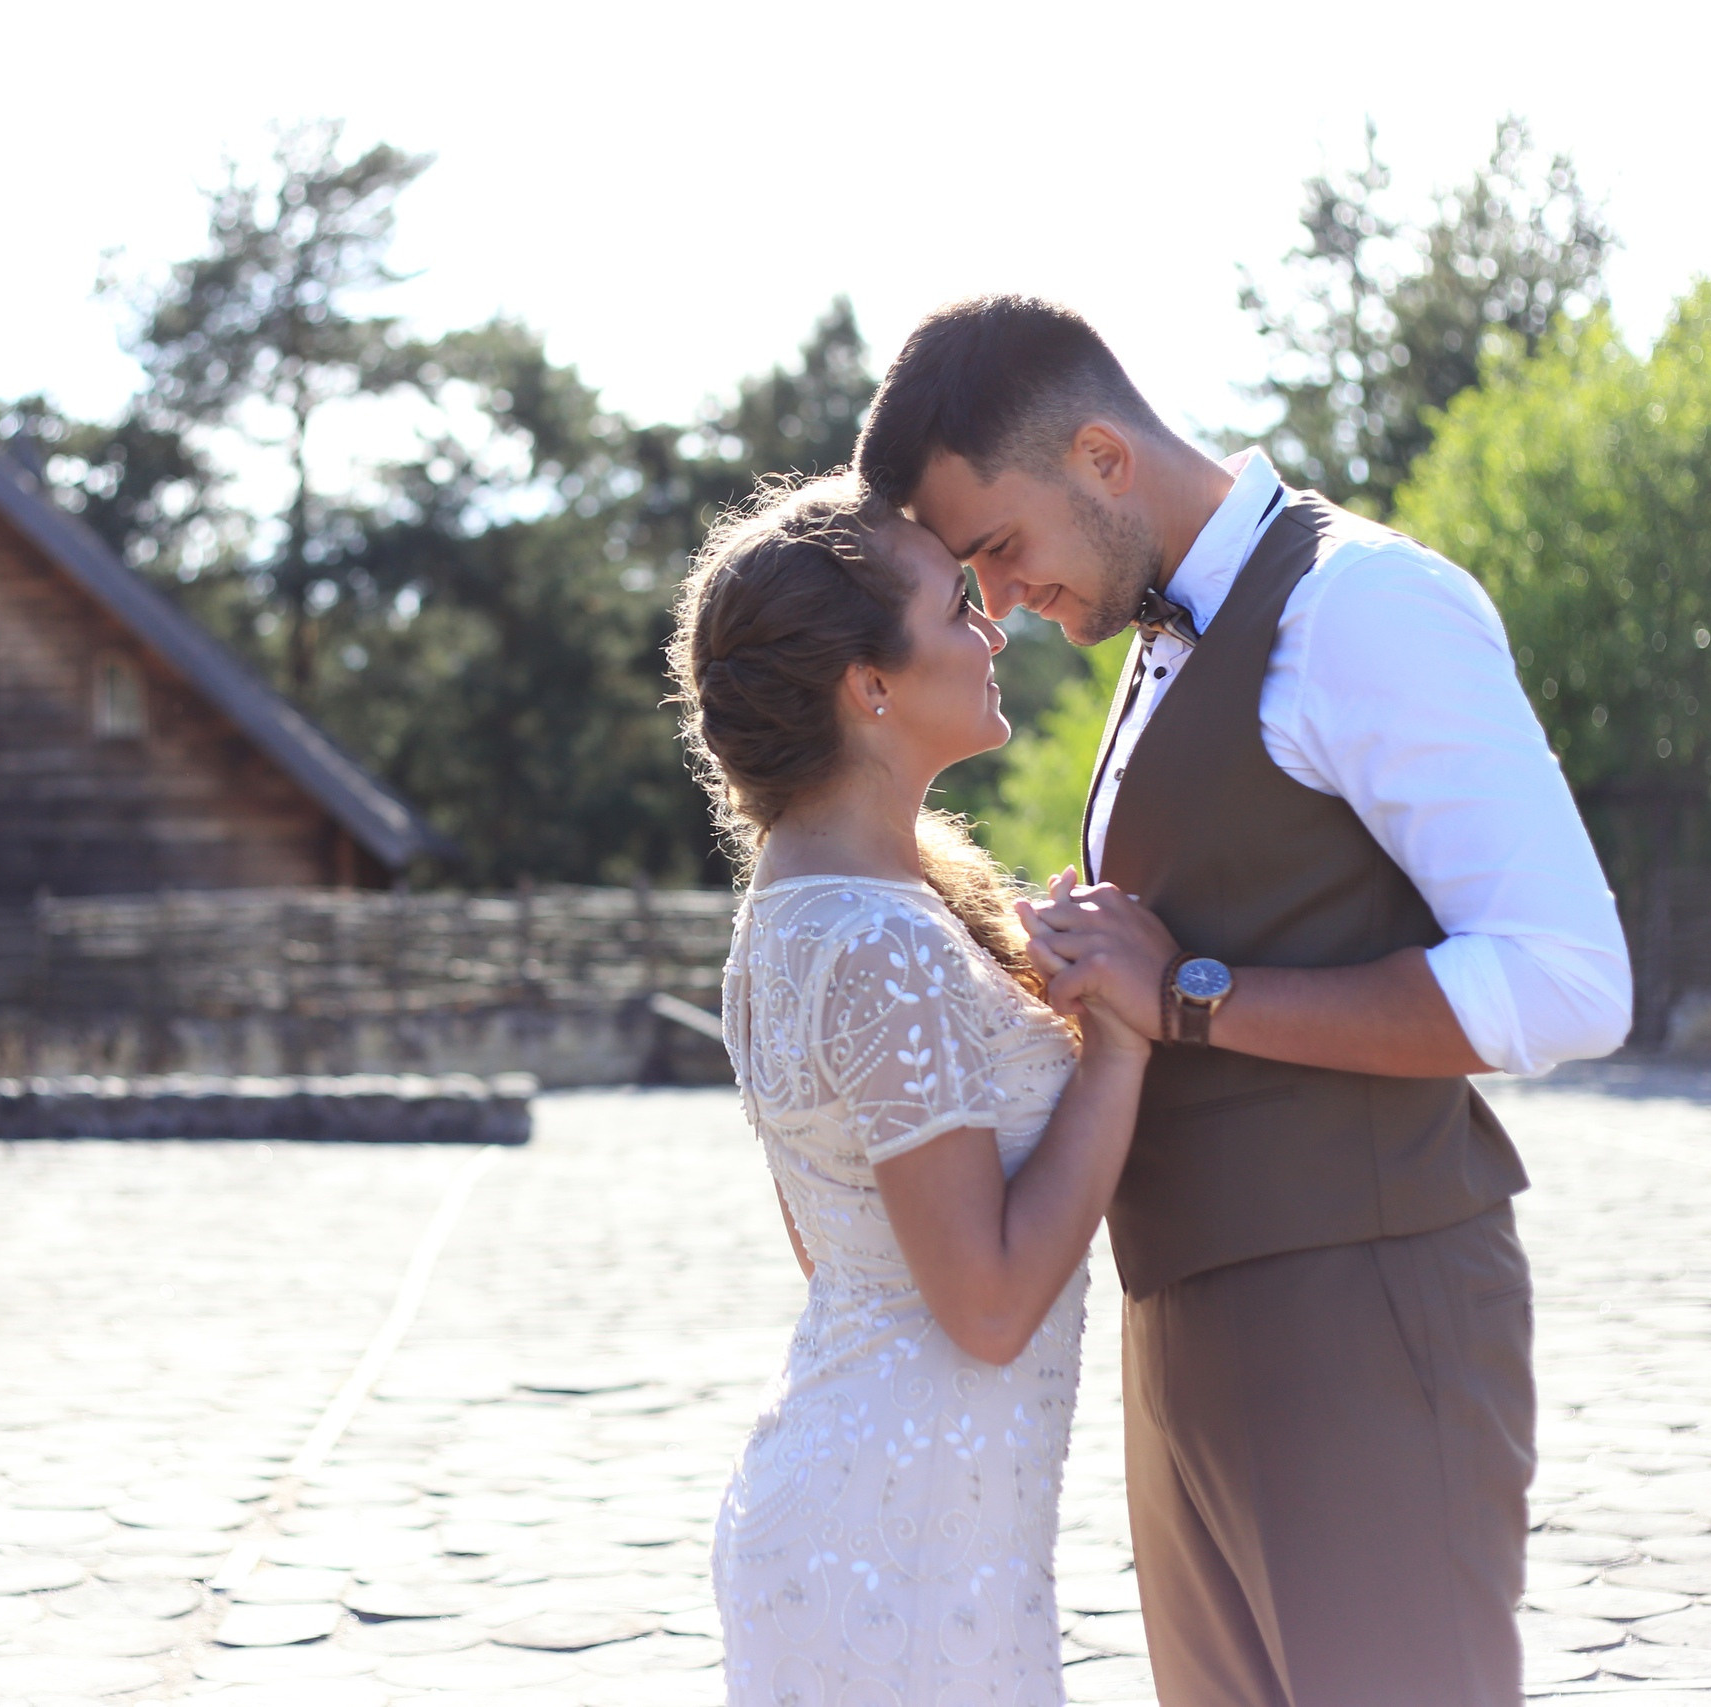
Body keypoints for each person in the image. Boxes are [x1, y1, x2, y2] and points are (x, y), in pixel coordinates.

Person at [855, 294, 1634, 1706]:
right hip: (1192, 1329)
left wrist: (1195, 993)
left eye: (999, 550)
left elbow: (1570, 976)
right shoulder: (1156, 642)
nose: (1003, 601)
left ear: (1101, 455)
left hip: (1366, 1313)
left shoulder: (1369, 606)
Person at [672, 474, 1150, 1705]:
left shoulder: (804, 908)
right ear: (867, 686)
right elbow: (984, 1310)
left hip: (887, 1513)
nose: (993, 627)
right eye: (957, 609)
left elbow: (841, 1252)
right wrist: (1121, 1048)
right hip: (900, 1547)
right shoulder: (878, 939)